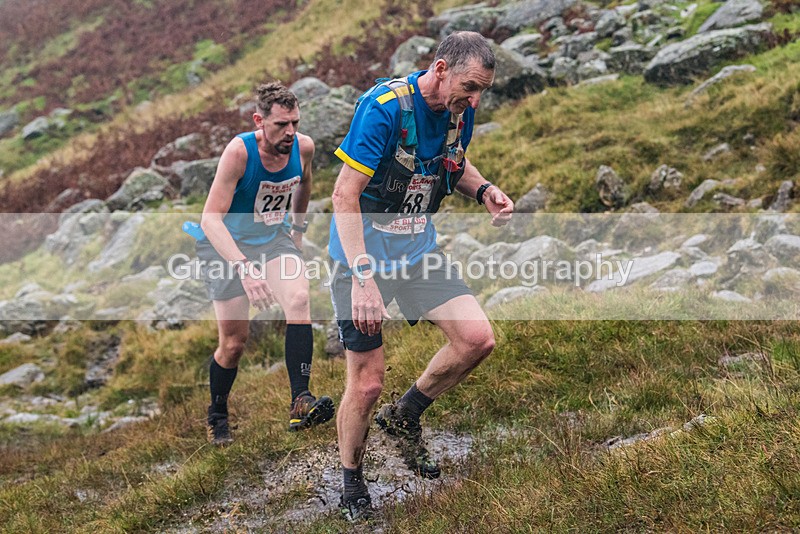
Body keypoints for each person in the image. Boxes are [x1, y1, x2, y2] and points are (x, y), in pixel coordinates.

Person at [328, 31, 514, 520]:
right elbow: (344, 195)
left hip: (416, 253)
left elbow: (451, 162)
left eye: (482, 92)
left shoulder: (460, 110)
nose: (474, 101)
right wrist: (363, 278)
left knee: (477, 339)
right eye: (470, 87)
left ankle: (405, 415)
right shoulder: (385, 108)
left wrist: (484, 190)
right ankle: (351, 482)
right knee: (366, 383)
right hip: (361, 257)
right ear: (440, 68)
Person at [192, 82, 334, 446]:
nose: (290, 132)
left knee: (300, 299)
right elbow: (210, 219)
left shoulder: (303, 147)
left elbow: (305, 184)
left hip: (273, 239)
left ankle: (300, 401)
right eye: (280, 125)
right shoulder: (239, 153)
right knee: (234, 344)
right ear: (259, 121)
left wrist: (298, 231)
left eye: (295, 123)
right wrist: (244, 268)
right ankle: (218, 414)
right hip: (226, 245)